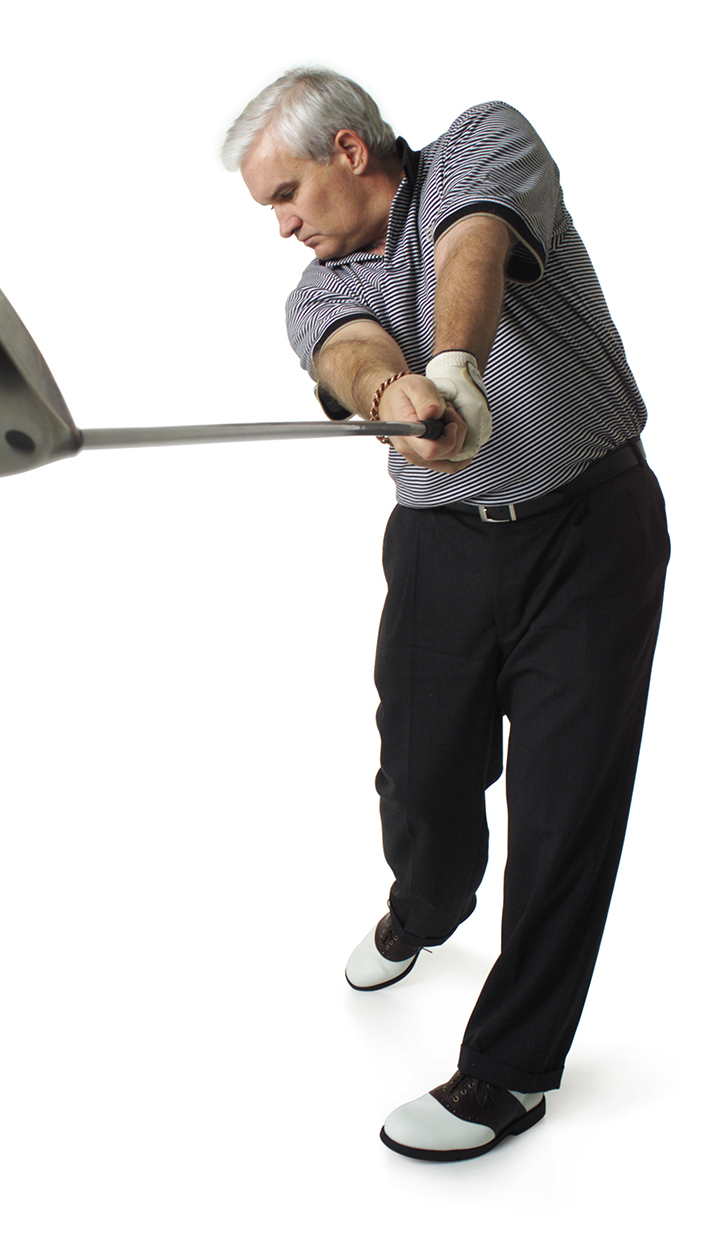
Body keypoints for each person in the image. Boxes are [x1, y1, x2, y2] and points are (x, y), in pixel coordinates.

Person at [222, 67, 670, 1162]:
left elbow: (474, 243)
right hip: (441, 549)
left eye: (284, 195)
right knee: (420, 773)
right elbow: (349, 353)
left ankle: (509, 1071)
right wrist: (398, 398)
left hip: (590, 529)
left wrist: (458, 363)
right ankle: (426, 907)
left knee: (567, 810)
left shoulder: (481, 145)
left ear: (347, 153)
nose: (280, 227)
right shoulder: (317, 289)